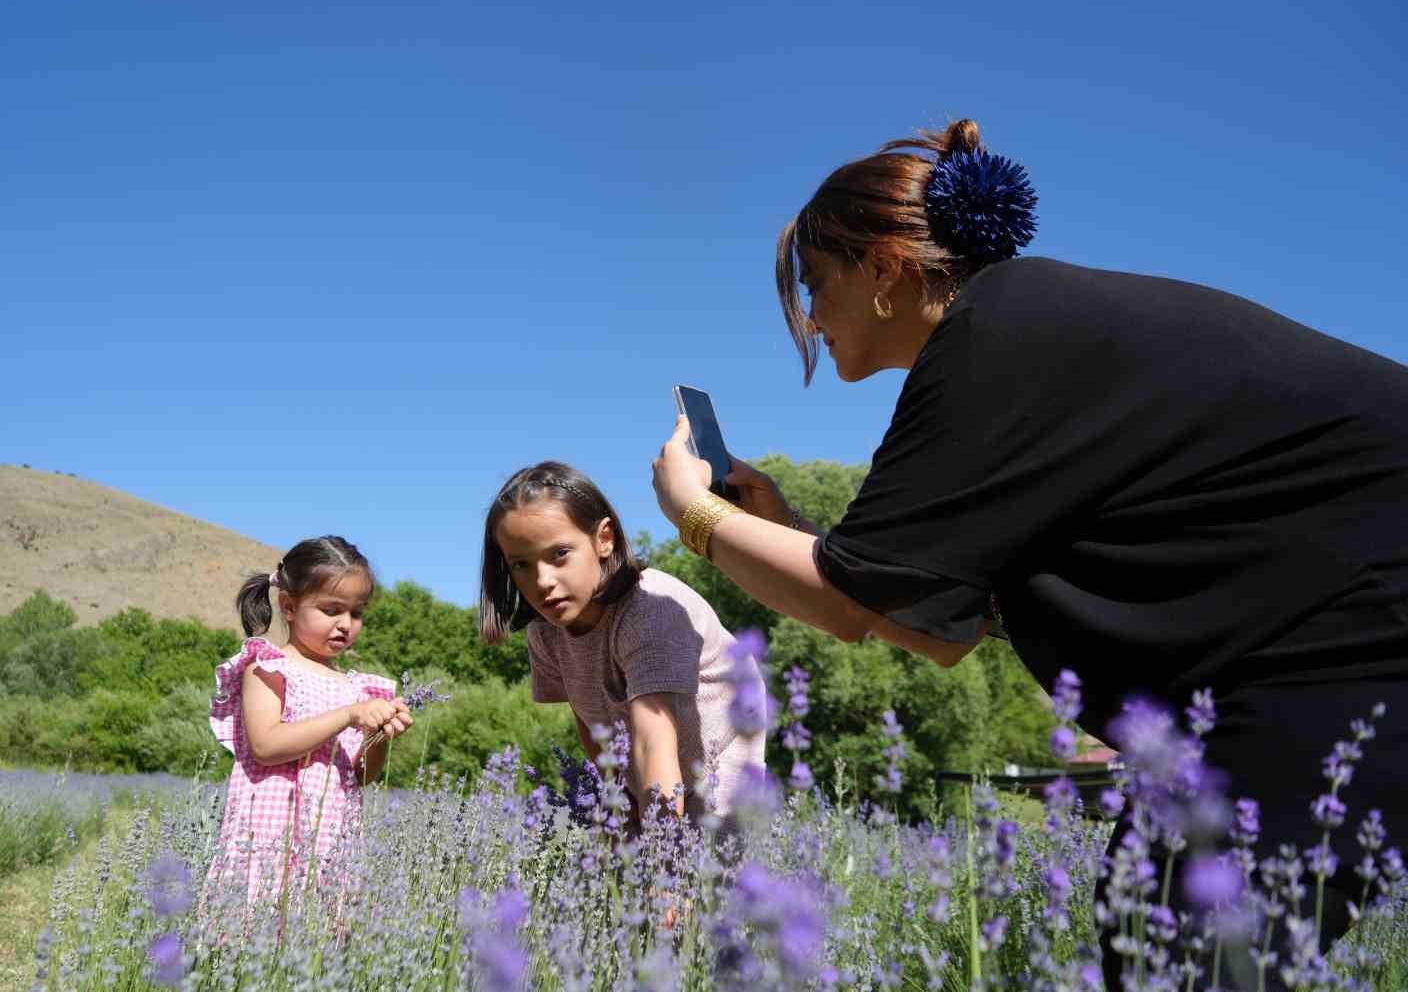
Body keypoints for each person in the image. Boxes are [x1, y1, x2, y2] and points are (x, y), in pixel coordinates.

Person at [648, 118, 1408, 988]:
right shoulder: (1018, 327)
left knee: (1183, 942)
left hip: (1355, 639)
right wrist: (783, 524)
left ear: (885, 269)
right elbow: (937, 625)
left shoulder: (992, 341)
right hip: (1320, 643)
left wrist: (693, 511)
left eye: (816, 285)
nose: (812, 320)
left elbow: (850, 604)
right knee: (1156, 923)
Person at [478, 460, 766, 825]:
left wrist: (658, 851)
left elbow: (652, 741)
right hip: (651, 759)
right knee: (627, 847)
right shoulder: (545, 631)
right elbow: (590, 723)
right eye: (521, 564)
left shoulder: (649, 611)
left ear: (604, 539)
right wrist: (620, 807)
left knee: (711, 853)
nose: (542, 581)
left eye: (559, 554)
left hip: (723, 744)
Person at [207, 535, 413, 903]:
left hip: (330, 835)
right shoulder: (268, 667)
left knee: (318, 926)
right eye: (332, 610)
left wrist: (379, 737)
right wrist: (347, 715)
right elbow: (266, 745)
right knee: (262, 916)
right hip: (270, 833)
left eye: (357, 613)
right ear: (289, 605)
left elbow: (362, 775)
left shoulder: (356, 688)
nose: (346, 624)